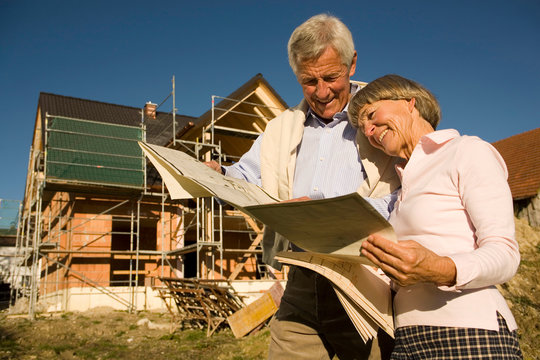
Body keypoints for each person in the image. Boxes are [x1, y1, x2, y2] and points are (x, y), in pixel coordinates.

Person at [205, 14, 400, 360]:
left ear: (352, 64)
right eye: (309, 81)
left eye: (331, 77)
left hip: (366, 282)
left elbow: (415, 185)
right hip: (300, 279)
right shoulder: (281, 128)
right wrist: (215, 173)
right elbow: (246, 177)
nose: (322, 92)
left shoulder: (384, 116)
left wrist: (344, 214)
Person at [348, 74, 523, 359]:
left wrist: (441, 268)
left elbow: (505, 254)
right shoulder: (401, 188)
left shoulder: (466, 151)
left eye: (370, 114)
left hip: (468, 331)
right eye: (362, 127)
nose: (368, 130)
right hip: (405, 339)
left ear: (409, 103)